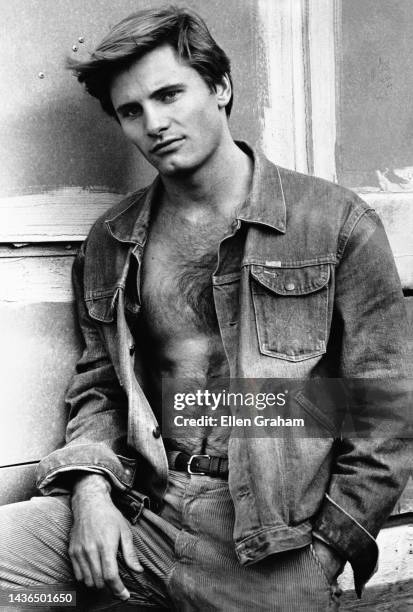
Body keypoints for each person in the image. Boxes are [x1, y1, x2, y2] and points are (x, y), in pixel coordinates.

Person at [0, 5, 410, 611]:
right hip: (138, 510)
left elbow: (386, 407)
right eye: (132, 111)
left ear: (220, 87)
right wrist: (88, 491)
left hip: (267, 542)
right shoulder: (111, 241)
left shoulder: (335, 223)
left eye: (170, 94)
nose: (155, 124)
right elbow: (99, 387)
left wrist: (327, 550)